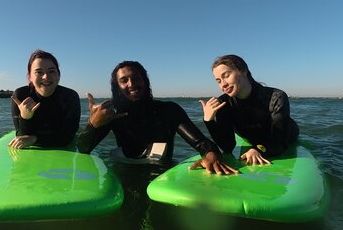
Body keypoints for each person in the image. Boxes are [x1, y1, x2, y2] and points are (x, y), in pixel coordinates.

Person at [77, 61, 238, 175]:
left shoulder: (169, 110)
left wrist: (211, 155)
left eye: (136, 78)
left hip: (161, 173)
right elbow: (83, 149)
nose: (131, 84)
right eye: (124, 80)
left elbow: (201, 143)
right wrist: (93, 124)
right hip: (126, 171)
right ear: (117, 87)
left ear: (145, 81)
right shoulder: (112, 114)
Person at [200, 54, 299, 166]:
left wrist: (259, 150)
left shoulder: (276, 96)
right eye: (218, 81)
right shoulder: (224, 103)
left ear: (243, 70)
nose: (223, 84)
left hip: (287, 135)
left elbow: (279, 141)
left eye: (226, 75)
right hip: (254, 140)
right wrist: (209, 121)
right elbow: (227, 147)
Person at [9, 50, 80, 149]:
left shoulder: (70, 96)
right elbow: (21, 138)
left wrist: (35, 139)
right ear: (30, 77)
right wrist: (25, 117)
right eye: (39, 72)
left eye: (51, 71)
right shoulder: (21, 95)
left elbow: (68, 137)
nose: (46, 77)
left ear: (59, 75)